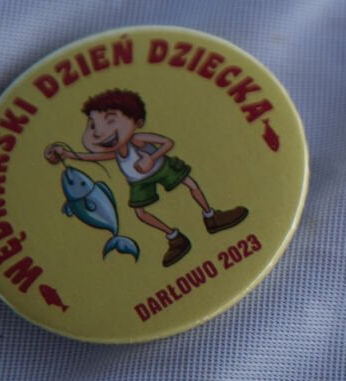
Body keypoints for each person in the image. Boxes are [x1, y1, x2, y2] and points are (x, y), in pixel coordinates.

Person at [44, 89, 247, 267]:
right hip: (138, 182)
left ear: (137, 122)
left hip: (161, 167)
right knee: (140, 213)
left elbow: (167, 143)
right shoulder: (116, 152)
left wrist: (152, 158)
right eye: (92, 125)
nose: (99, 132)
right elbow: (95, 157)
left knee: (189, 183)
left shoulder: (137, 139)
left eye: (110, 120)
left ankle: (211, 216)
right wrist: (68, 154)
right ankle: (175, 238)